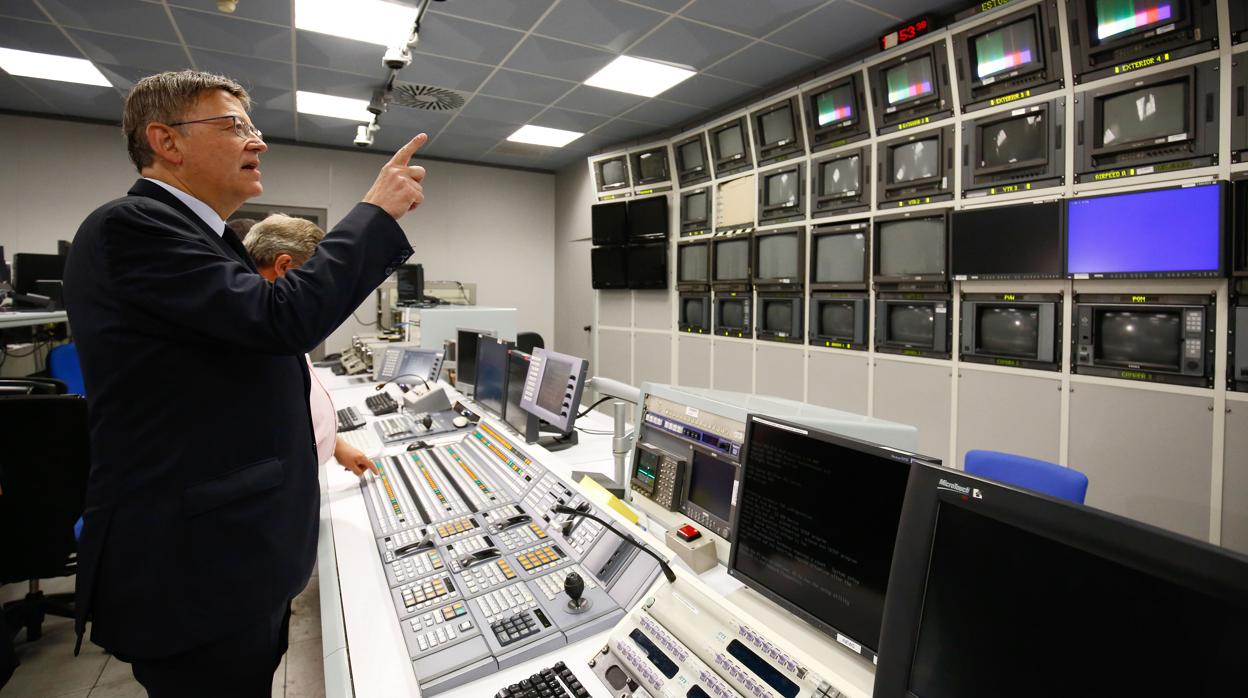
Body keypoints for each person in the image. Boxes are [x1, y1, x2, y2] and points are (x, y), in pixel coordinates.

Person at [61, 69, 427, 696]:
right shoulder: (132, 226)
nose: (257, 142)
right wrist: (375, 214)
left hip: (230, 556)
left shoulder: (205, 236)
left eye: (253, 127)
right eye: (234, 126)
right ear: (166, 141)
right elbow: (281, 319)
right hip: (195, 570)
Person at [242, 213, 377, 476]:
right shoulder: (255, 332)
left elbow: (300, 402)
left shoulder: (282, 324)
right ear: (283, 266)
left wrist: (335, 445)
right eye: (313, 283)